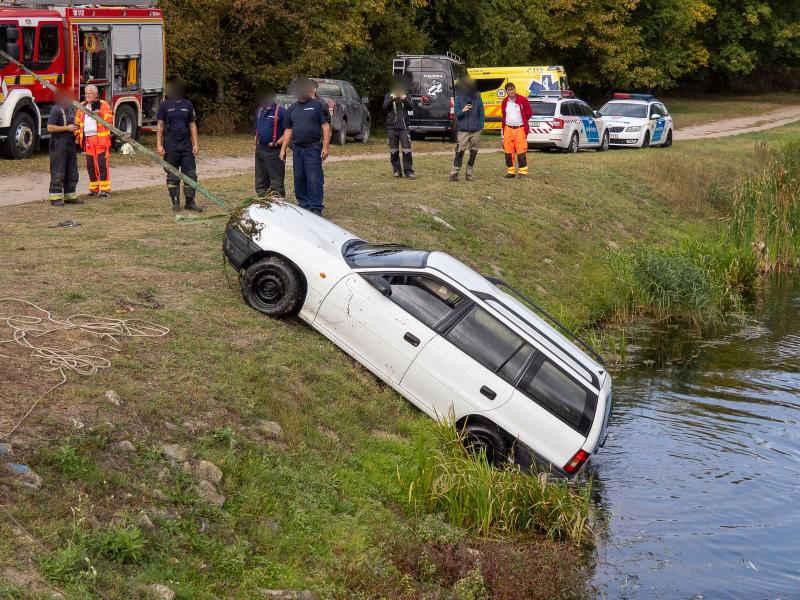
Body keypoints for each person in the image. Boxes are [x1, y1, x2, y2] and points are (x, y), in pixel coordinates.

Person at [279, 78, 331, 216]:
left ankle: (316, 208)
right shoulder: (292, 109)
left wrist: (326, 146)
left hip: (313, 148)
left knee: (314, 178)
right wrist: (283, 149)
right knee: (299, 178)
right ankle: (304, 206)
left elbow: (325, 126)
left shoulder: (317, 106)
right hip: (297, 149)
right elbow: (288, 130)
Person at [156, 78, 202, 212]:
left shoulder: (188, 105)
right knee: (172, 174)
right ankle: (175, 202)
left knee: (190, 174)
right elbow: (160, 125)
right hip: (170, 143)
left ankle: (190, 202)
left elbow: (192, 125)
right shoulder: (165, 105)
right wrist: (159, 144)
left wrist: (195, 144)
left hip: (186, 143)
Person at [75, 84, 113, 198]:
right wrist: (77, 137)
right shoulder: (82, 106)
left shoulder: (103, 105)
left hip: (101, 140)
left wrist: (100, 114)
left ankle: (105, 190)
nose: (87, 94)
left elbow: (110, 120)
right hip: (88, 141)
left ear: (96, 94)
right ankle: (94, 189)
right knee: (90, 166)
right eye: (86, 92)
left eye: (90, 92)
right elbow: (77, 123)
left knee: (102, 165)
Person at [46, 90, 80, 206]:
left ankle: (70, 196)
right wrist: (67, 128)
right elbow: (50, 128)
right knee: (58, 171)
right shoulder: (56, 109)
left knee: (72, 170)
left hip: (70, 143)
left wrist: (75, 128)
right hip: (59, 143)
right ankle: (55, 197)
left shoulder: (70, 109)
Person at [254, 90, 287, 198]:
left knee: (276, 179)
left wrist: (277, 143)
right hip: (260, 149)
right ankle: (263, 201)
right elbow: (258, 126)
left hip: (274, 150)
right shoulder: (259, 110)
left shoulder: (281, 111)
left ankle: (277, 203)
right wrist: (256, 136)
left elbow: (289, 131)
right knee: (260, 179)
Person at [450, 78, 484, 182]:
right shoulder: (459, 98)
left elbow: (481, 112)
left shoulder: (478, 97)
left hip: (476, 130)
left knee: (473, 152)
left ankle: (469, 173)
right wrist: (463, 110)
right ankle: (454, 173)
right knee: (460, 151)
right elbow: (456, 115)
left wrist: (481, 126)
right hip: (463, 130)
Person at [383, 82, 415, 179]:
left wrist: (404, 99)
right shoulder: (388, 95)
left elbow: (411, 107)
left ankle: (409, 172)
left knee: (406, 150)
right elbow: (385, 107)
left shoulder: (407, 96)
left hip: (404, 128)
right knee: (393, 151)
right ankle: (397, 171)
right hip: (391, 128)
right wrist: (392, 98)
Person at [500, 82, 532, 178]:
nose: (512, 91)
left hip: (520, 129)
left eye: (513, 89)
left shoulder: (523, 100)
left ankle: (523, 172)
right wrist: (503, 129)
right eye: (509, 90)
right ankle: (511, 171)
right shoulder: (505, 102)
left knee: (521, 151)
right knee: (508, 151)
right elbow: (504, 115)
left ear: (515, 89)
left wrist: (523, 122)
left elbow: (529, 113)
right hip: (508, 129)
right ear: (506, 92)